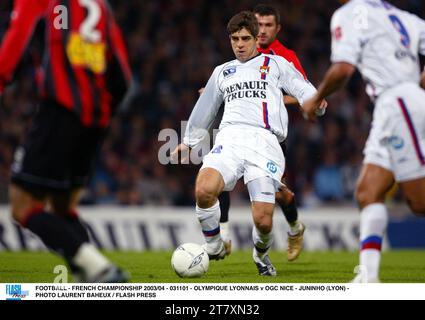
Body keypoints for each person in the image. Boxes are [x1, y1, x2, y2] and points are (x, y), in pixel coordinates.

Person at [172, 11, 322, 276]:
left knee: (263, 220)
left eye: (244, 38)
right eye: (234, 39)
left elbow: (304, 89)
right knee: (204, 188)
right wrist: (188, 142)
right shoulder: (222, 71)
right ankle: (214, 244)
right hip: (230, 138)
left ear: (256, 39)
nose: (239, 44)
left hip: (265, 142)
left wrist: (316, 103)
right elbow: (205, 108)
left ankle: (261, 255)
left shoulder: (276, 65)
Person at [0, 0, 131, 282]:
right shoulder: (101, 6)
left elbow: (17, 36)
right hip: (94, 121)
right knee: (62, 208)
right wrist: (100, 116)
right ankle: (95, 274)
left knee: (23, 207)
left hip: (58, 111)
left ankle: (99, 269)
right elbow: (121, 78)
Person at [302, 0, 425, 282]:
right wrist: (418, 88)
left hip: (396, 103)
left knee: (419, 202)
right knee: (368, 192)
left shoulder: (349, 14)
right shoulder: (402, 16)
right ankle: (368, 278)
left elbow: (343, 70)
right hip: (395, 105)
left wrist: (316, 97)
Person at [217, 4, 323, 262]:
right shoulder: (243, 52)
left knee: (278, 195)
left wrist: (269, 97)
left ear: (278, 29)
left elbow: (302, 94)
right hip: (238, 132)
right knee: (217, 170)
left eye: (268, 26)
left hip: (270, 137)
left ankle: (295, 228)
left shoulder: (284, 58)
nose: (262, 30)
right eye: (258, 25)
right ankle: (223, 234)